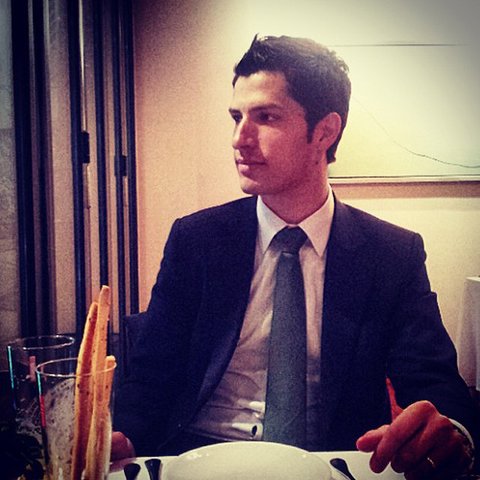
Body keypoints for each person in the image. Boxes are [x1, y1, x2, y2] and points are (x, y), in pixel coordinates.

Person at [113, 35, 478, 478]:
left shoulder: (392, 253)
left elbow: (435, 383)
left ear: (325, 131)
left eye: (266, 117)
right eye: (236, 117)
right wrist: (124, 436)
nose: (239, 139)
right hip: (197, 457)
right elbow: (151, 375)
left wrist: (450, 431)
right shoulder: (196, 239)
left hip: (333, 462)